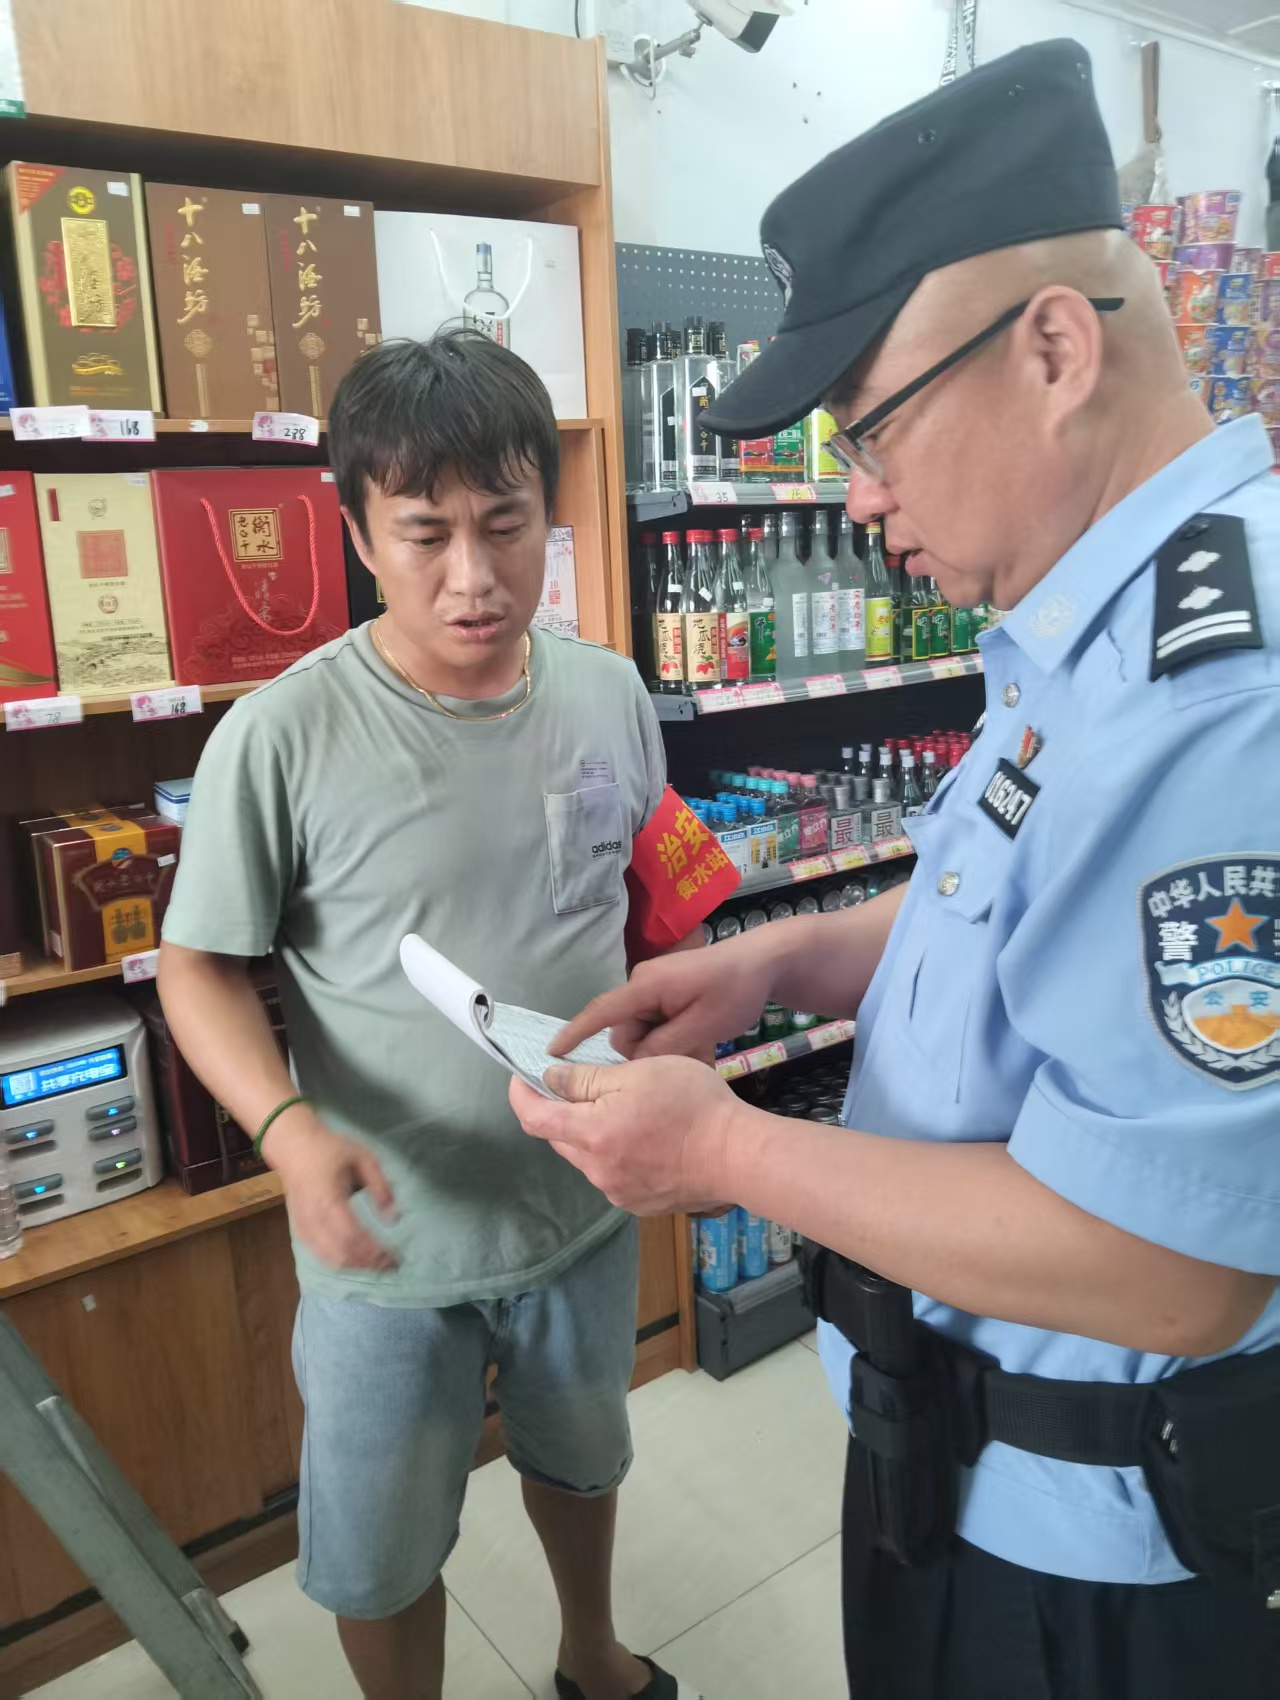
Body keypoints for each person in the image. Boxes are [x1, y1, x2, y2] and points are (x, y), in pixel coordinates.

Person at [510, 41, 1280, 1700]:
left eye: (874, 428)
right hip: (966, 1459)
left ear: (1056, 348)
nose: (857, 498)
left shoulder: (1217, 696)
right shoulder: (1087, 621)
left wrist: (724, 1148)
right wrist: (784, 962)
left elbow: (1180, 1267)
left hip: (1094, 1558)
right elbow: (1012, 907)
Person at [158, 332, 726, 1700]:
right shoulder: (281, 737)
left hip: (580, 1201)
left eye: (505, 525)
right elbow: (198, 968)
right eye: (425, 534)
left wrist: (688, 1006)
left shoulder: (606, 689)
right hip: (389, 1239)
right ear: (361, 535)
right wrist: (288, 1132)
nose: (472, 576)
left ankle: (590, 1655)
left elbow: (654, 888)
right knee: (382, 1543)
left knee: (583, 1456)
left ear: (548, 518)